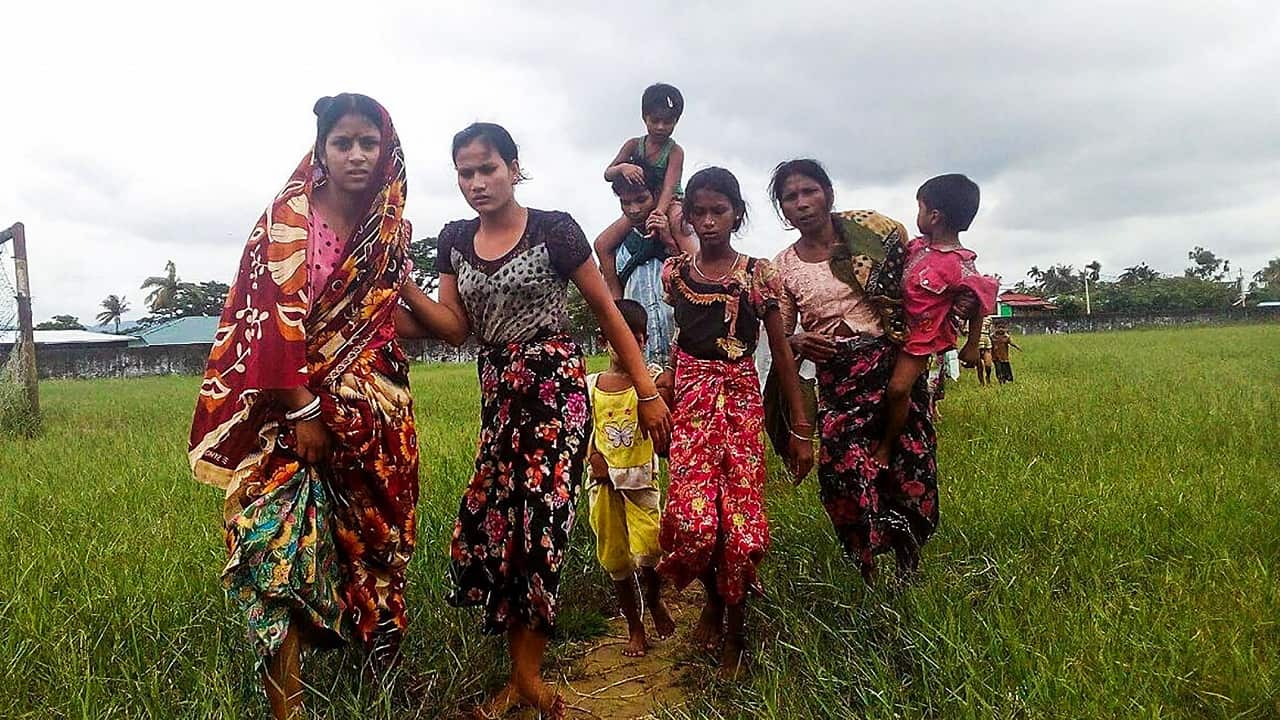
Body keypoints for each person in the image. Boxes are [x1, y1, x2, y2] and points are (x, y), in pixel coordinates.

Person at [189, 94, 463, 720]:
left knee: (379, 537)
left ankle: (384, 668)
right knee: (273, 542)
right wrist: (304, 410)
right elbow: (268, 321)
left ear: (387, 147)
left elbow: (381, 317)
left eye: (370, 141)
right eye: (344, 142)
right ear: (322, 149)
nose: (358, 154)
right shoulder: (286, 221)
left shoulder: (389, 231)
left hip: (377, 410)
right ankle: (286, 704)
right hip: (289, 408)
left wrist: (417, 300)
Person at [432, 122, 671, 719]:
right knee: (497, 526)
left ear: (515, 169)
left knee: (539, 520)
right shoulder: (455, 240)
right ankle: (521, 677)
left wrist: (645, 389)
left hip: (554, 391)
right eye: (466, 172)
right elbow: (453, 327)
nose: (478, 182)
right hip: (498, 396)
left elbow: (607, 313)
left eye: (489, 168)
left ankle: (530, 678)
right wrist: (388, 292)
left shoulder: (554, 230)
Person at [658, 167, 813, 678]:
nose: (707, 221)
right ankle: (712, 598)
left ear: (737, 214)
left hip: (741, 398)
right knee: (693, 519)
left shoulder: (757, 274)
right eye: (697, 212)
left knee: (739, 523)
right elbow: (679, 345)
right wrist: (662, 399)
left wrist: (799, 427)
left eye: (717, 211)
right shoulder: (675, 274)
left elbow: (784, 357)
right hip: (690, 402)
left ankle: (736, 633)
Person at [767, 158, 930, 583]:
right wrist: (800, 342)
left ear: (828, 193)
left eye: (809, 191)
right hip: (838, 381)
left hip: (890, 367)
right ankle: (867, 566)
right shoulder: (782, 267)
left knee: (906, 464)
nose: (801, 203)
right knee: (842, 471)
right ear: (783, 209)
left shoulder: (872, 234)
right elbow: (780, 338)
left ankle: (907, 564)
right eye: (790, 197)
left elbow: (917, 284)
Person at [873, 174, 998, 575]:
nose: (918, 216)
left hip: (922, 338)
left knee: (897, 391)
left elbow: (981, 303)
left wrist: (972, 345)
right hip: (897, 332)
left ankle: (887, 446)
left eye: (921, 209)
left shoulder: (960, 264)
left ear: (936, 215)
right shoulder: (916, 249)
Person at [585, 298, 677, 658]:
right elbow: (584, 431)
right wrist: (593, 458)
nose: (625, 345)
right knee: (616, 560)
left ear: (644, 339)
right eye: (615, 335)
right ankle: (634, 625)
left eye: (634, 337)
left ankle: (654, 602)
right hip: (604, 486)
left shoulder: (651, 383)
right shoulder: (592, 384)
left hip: (641, 484)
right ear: (602, 337)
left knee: (650, 552)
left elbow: (664, 423)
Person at [595, 174, 696, 365]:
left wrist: (668, 241)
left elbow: (697, 275)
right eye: (626, 202)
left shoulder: (682, 231)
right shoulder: (617, 247)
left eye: (641, 200)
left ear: (657, 195)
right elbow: (617, 300)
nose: (634, 209)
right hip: (641, 350)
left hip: (681, 345)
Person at [604, 83, 686, 229]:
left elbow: (668, 187)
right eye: (655, 121)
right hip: (640, 201)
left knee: (677, 222)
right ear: (644, 117)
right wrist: (623, 167)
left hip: (670, 201)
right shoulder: (633, 145)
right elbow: (608, 174)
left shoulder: (674, 151)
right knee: (602, 243)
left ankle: (691, 251)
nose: (660, 127)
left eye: (667, 122)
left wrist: (658, 214)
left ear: (676, 121)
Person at [975, 315, 994, 385]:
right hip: (976, 340)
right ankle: (981, 382)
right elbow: (966, 331)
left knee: (988, 364)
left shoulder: (989, 319)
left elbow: (991, 330)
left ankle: (988, 377)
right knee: (979, 364)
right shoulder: (973, 317)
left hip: (986, 341)